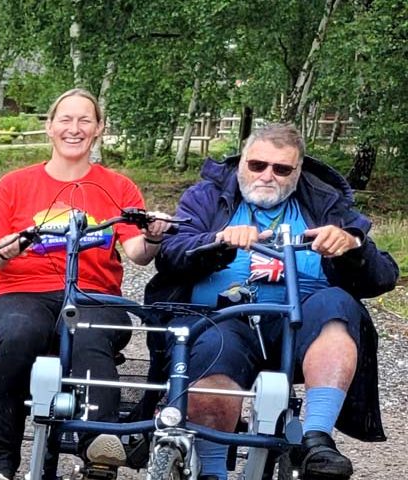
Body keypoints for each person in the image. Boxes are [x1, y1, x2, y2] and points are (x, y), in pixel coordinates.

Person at [145, 123, 396, 480]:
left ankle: (316, 438)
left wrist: (352, 247)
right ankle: (212, 470)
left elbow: (383, 275)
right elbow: (170, 253)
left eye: (282, 169)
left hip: (301, 324)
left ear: (298, 171)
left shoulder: (324, 201)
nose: (267, 175)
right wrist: (218, 242)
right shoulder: (206, 196)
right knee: (215, 344)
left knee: (338, 304)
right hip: (225, 317)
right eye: (257, 165)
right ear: (241, 162)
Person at [0, 89, 170, 480]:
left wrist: (156, 235)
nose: (74, 129)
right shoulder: (14, 185)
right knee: (20, 334)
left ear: (98, 129)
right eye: (65, 119)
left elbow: (137, 254)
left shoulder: (119, 187)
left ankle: (99, 448)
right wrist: (13, 247)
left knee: (90, 333)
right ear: (49, 127)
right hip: (20, 293)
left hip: (92, 295)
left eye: (84, 121)